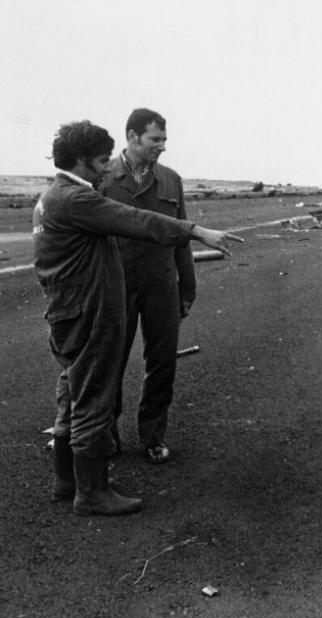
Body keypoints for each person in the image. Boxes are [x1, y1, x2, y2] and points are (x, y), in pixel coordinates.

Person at [34, 120, 243, 516]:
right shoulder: (77, 199)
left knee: (74, 392)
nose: (103, 170)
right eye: (99, 162)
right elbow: (137, 220)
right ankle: (92, 493)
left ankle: (67, 481)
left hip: (68, 310)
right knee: (94, 397)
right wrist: (196, 230)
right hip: (89, 313)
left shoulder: (52, 195)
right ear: (80, 160)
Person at [99, 108, 191, 465]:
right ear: (132, 137)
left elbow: (181, 237)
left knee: (163, 363)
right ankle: (106, 434)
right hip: (115, 286)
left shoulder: (171, 180)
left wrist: (187, 288)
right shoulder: (103, 178)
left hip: (161, 285)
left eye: (165, 139)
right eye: (156, 139)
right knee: (111, 362)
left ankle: (152, 436)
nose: (163, 146)